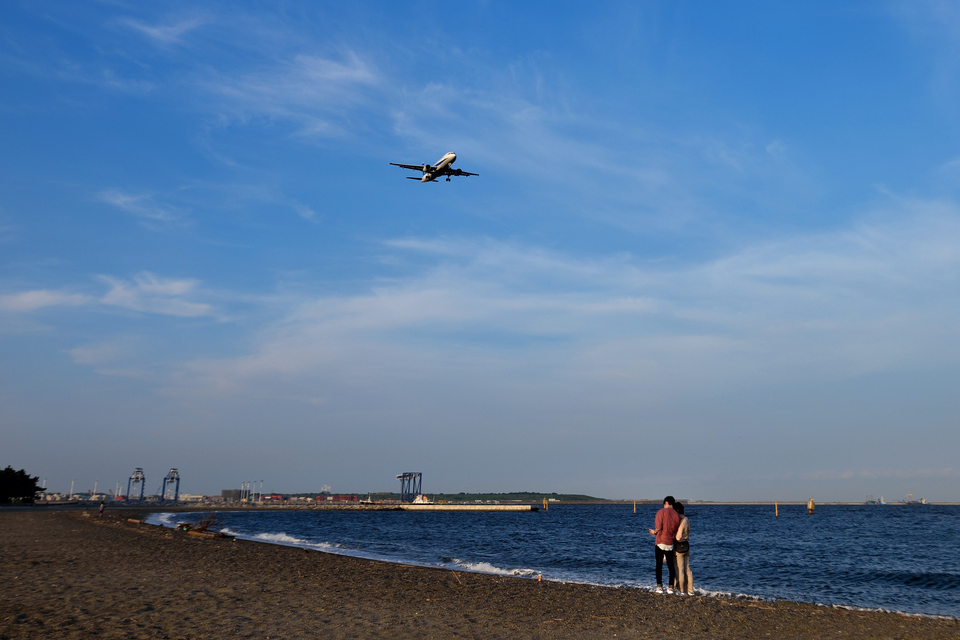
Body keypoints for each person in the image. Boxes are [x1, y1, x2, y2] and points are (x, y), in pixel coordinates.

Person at [648, 495, 680, 594]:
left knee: (659, 565)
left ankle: (659, 587)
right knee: (671, 566)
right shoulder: (677, 515)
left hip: (660, 541)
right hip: (670, 542)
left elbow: (658, 527)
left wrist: (654, 532)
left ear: (666, 503)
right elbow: (675, 530)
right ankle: (670, 588)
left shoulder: (661, 512)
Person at [673, 502, 693, 595]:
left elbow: (678, 537)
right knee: (687, 569)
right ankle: (690, 590)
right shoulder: (687, 519)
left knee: (680, 570)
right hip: (686, 545)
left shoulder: (681, 521)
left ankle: (681, 590)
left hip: (679, 546)